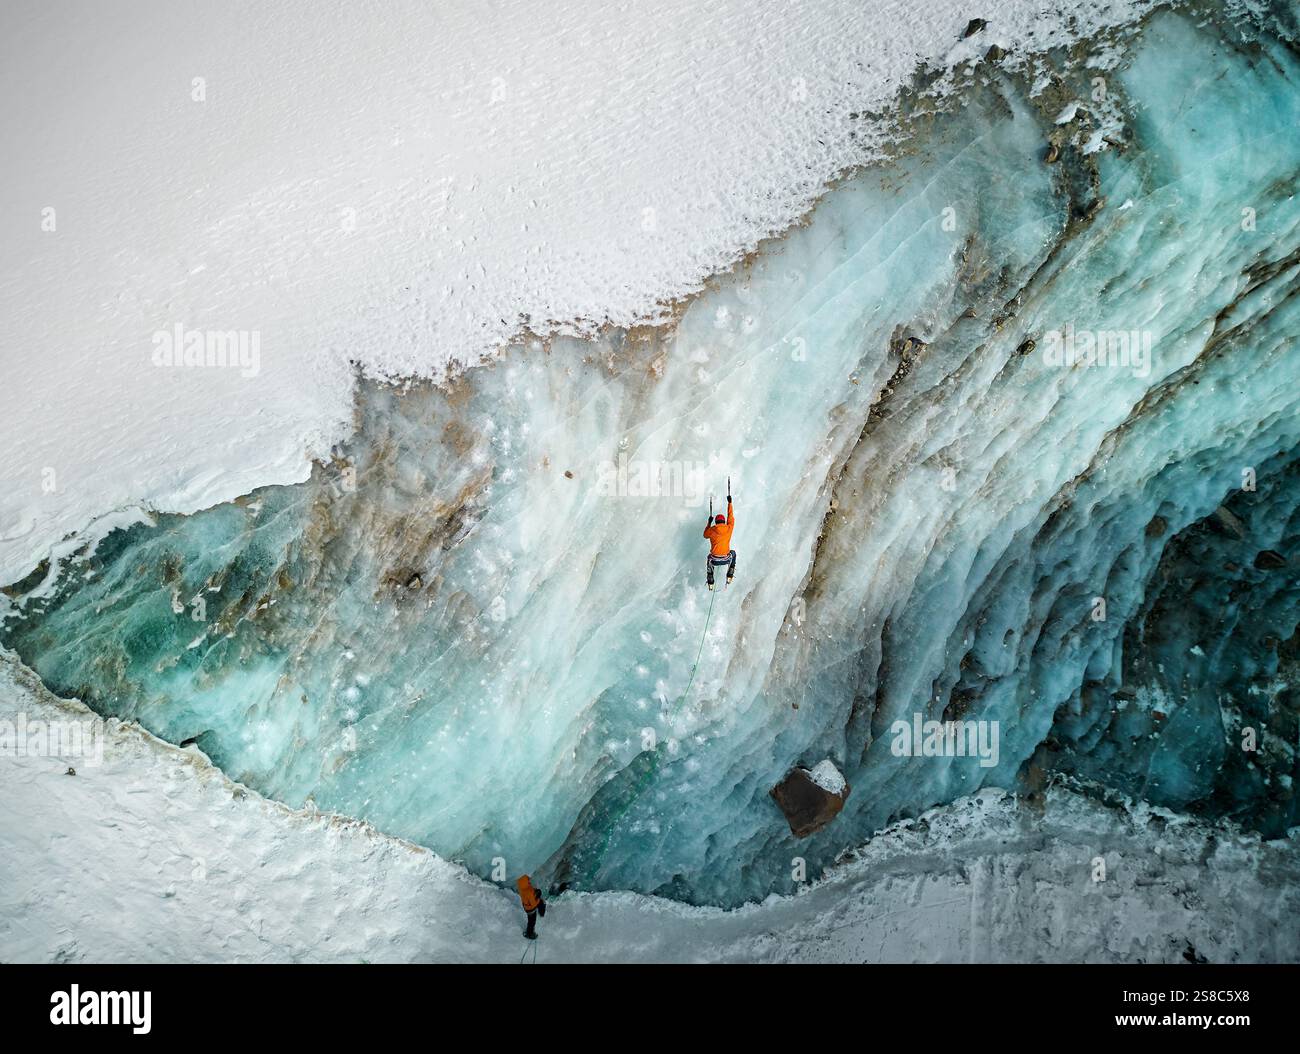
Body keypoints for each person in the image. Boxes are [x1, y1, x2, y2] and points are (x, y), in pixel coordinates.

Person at [703, 490, 736, 589]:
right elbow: (730, 516)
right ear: (724, 521)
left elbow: (705, 535)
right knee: (733, 553)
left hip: (714, 560)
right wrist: (730, 503)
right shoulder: (729, 528)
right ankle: (730, 574)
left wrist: (709, 522)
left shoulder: (712, 530)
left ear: (716, 522)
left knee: (709, 557)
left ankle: (710, 579)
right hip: (726, 558)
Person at [516, 875, 546, 940]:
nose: (529, 880)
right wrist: (537, 896)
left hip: (526, 907)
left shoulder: (522, 888)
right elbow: (533, 904)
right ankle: (530, 934)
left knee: (531, 920)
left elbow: (530, 892)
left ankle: (541, 913)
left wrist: (535, 892)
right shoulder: (528, 892)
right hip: (531, 909)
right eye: (528, 880)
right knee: (532, 921)